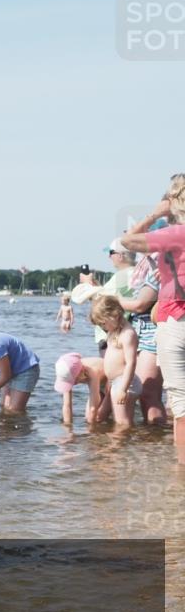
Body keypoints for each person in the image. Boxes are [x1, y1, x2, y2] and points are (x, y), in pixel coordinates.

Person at [121, 173, 185, 460]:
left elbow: (127, 241)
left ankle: (180, 476)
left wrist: (153, 214)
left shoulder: (175, 233)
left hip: (176, 320)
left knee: (181, 404)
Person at [118, 228, 166, 426]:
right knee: (152, 394)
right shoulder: (155, 263)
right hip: (149, 333)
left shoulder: (158, 265)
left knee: (148, 394)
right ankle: (158, 441)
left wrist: (117, 300)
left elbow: (140, 304)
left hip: (152, 336)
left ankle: (156, 441)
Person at [76, 240, 136, 356]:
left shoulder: (124, 275)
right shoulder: (130, 273)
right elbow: (107, 296)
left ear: (121, 255)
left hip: (111, 335)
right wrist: (94, 286)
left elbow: (103, 302)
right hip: (115, 333)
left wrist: (87, 284)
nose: (109, 256)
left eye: (111, 252)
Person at [89, 295, 140, 427]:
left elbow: (131, 363)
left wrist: (123, 388)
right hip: (114, 382)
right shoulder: (114, 331)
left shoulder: (127, 334)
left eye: (103, 323)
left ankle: (118, 445)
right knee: (99, 417)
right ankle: (113, 442)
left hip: (125, 382)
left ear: (114, 315)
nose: (103, 327)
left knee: (122, 422)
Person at [54, 352, 111, 425]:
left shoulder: (92, 372)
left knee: (98, 417)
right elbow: (67, 405)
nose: (73, 383)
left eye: (74, 380)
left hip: (111, 379)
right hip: (100, 384)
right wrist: (68, 429)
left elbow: (93, 409)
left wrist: (90, 430)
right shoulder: (67, 373)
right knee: (88, 417)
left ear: (80, 374)